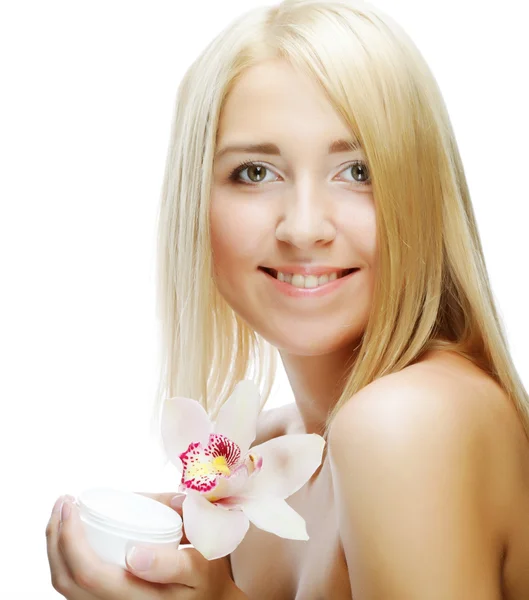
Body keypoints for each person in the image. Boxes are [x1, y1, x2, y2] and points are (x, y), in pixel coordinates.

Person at [46, 0, 529, 598]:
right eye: (255, 172)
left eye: (358, 171)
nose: (303, 228)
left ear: (423, 197)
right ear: (195, 205)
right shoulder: (264, 457)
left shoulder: (405, 423)